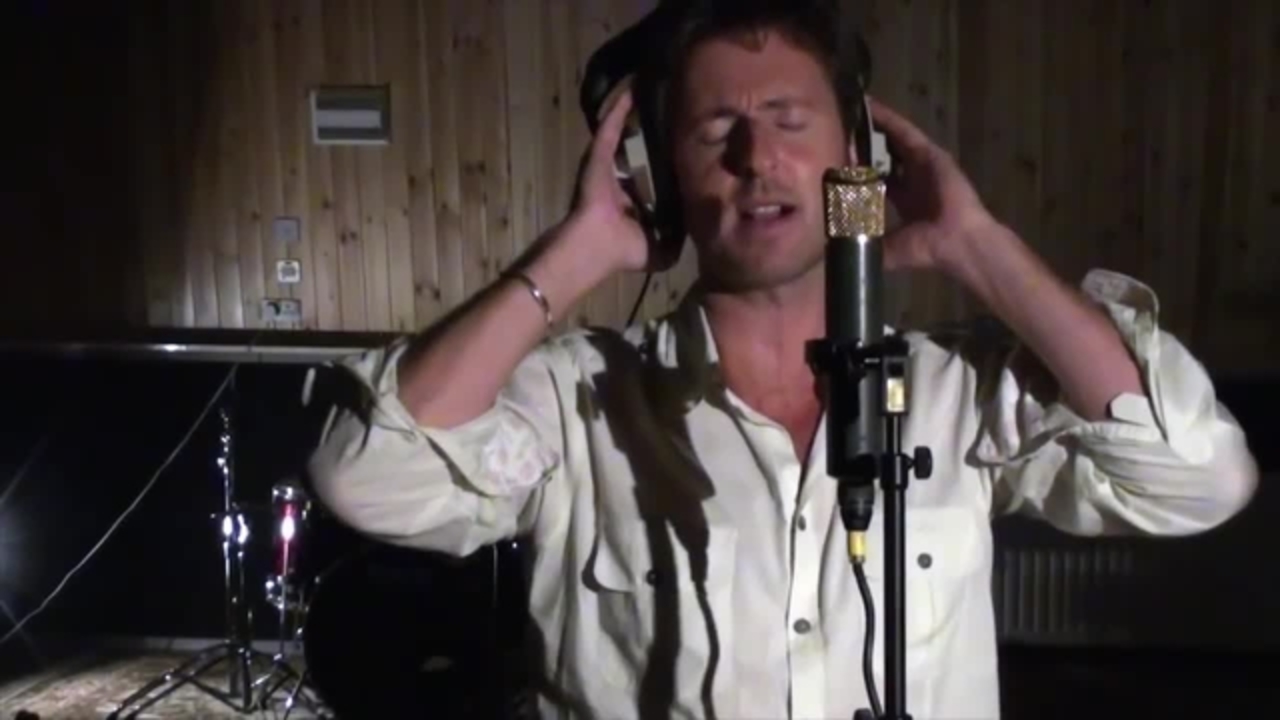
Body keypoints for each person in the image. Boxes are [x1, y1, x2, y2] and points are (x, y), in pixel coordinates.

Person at [306, 4, 1258, 719]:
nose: (757, 158)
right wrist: (579, 251)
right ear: (660, 175)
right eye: (714, 131)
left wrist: (976, 244)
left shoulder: (954, 394)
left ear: (860, 156)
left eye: (790, 120)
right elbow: (371, 476)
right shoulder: (579, 401)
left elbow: (1196, 477)